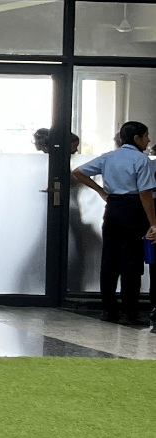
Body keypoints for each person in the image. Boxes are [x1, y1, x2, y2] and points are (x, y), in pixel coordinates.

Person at [72, 121, 156, 328]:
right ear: (136, 138)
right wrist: (154, 223)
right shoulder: (142, 160)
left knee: (110, 261)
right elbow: (145, 194)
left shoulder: (109, 157)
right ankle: (130, 313)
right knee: (131, 263)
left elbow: (78, 172)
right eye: (146, 136)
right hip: (134, 209)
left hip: (113, 209)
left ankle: (109, 310)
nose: (148, 140)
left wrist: (101, 191)